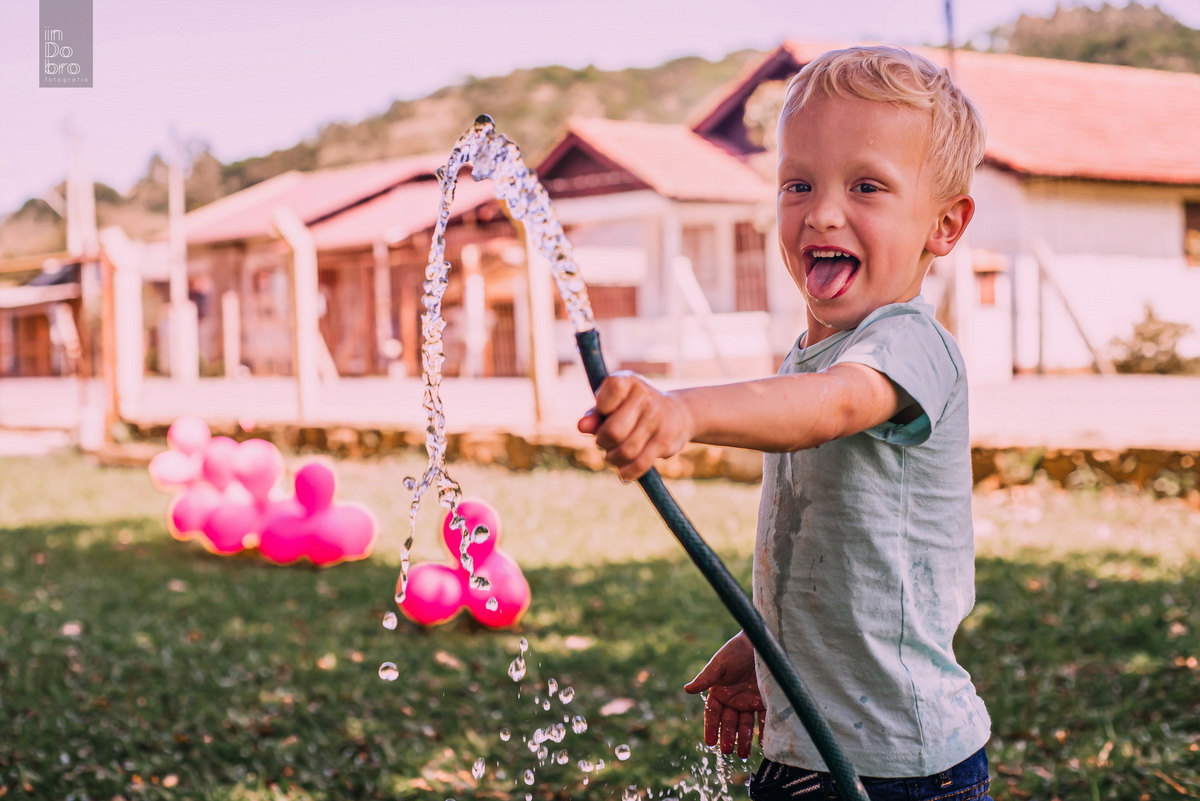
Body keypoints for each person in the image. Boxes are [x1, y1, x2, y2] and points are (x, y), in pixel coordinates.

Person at [577, 45, 992, 800]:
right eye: (797, 183)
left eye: (867, 186)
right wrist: (771, 648)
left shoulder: (907, 346)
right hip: (814, 743)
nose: (821, 210)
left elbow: (832, 408)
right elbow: (844, 556)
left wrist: (681, 410)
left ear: (946, 223)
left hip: (898, 767)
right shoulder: (809, 355)